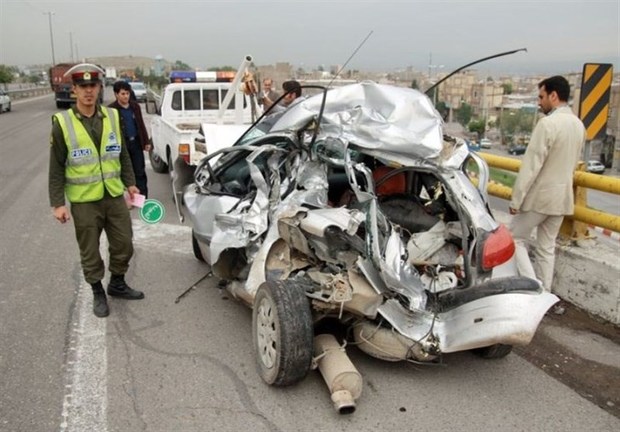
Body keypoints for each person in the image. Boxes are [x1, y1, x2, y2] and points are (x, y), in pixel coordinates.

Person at [49, 64, 145, 318]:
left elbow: (122, 153)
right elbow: (56, 165)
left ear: (100, 88)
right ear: (75, 90)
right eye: (83, 87)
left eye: (92, 86)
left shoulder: (112, 117)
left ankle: (117, 283)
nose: (88, 91)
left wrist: (130, 182)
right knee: (90, 250)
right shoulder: (63, 123)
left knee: (124, 242)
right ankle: (97, 291)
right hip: (84, 201)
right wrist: (58, 203)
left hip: (113, 195)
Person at [509, 75, 586, 313]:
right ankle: (547, 298)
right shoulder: (578, 125)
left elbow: (532, 165)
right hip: (562, 198)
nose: (539, 102)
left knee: (514, 239)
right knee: (546, 248)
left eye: (541, 97)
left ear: (553, 96)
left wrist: (516, 198)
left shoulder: (547, 125)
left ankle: (535, 292)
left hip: (540, 197)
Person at [109, 80, 151, 198]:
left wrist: (146, 141)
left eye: (127, 93)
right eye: (123, 94)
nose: (125, 96)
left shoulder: (135, 107)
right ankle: (128, 198)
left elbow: (141, 124)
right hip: (122, 145)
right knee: (125, 172)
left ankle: (142, 197)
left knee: (140, 171)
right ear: (116, 94)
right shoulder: (111, 109)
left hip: (136, 143)